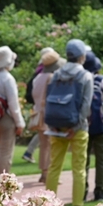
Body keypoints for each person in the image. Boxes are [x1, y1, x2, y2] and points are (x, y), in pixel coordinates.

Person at [45, 39, 93, 206]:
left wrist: (53, 124)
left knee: (54, 166)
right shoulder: (86, 76)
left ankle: (48, 204)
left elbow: (49, 101)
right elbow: (86, 105)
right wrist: (77, 126)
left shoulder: (56, 74)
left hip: (56, 127)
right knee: (78, 167)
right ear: (82, 56)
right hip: (78, 129)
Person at [0, 46, 25, 174]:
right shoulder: (8, 78)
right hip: (7, 118)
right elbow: (13, 104)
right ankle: (2, 183)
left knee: (0, 149)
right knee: (6, 152)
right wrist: (20, 123)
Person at [84, 52, 103, 202]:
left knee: (83, 160)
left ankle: (82, 190)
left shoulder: (80, 79)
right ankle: (100, 191)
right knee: (102, 159)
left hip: (83, 125)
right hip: (102, 125)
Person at [31, 50, 63, 183]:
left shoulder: (38, 77)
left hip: (38, 113)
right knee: (51, 144)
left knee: (44, 144)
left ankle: (44, 173)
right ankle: (49, 174)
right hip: (49, 113)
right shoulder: (52, 77)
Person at [22, 47, 55, 163]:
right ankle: (46, 172)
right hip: (48, 111)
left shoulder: (37, 74)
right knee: (48, 143)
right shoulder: (49, 75)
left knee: (43, 139)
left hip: (38, 109)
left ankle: (30, 153)